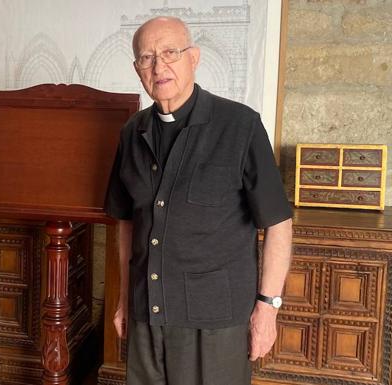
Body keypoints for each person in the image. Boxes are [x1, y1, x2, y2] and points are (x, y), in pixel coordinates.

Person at [105, 16, 293, 385]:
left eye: (170, 53)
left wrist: (267, 309)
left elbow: (277, 224)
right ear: (137, 69)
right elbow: (127, 224)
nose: (159, 67)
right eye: (147, 58)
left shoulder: (240, 125)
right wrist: (125, 299)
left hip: (215, 323)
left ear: (194, 57)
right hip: (148, 314)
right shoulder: (132, 132)